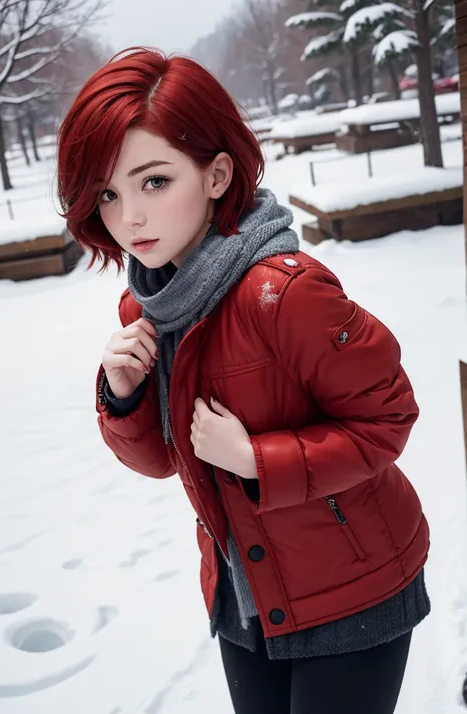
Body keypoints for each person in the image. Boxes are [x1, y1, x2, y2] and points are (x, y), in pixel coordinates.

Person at [57, 47, 431, 714]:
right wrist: (125, 394)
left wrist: (258, 460)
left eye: (153, 182)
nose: (129, 219)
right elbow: (167, 459)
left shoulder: (284, 293)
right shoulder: (149, 307)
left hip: (352, 591)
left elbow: (389, 419)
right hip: (245, 593)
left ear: (218, 174)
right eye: (108, 194)